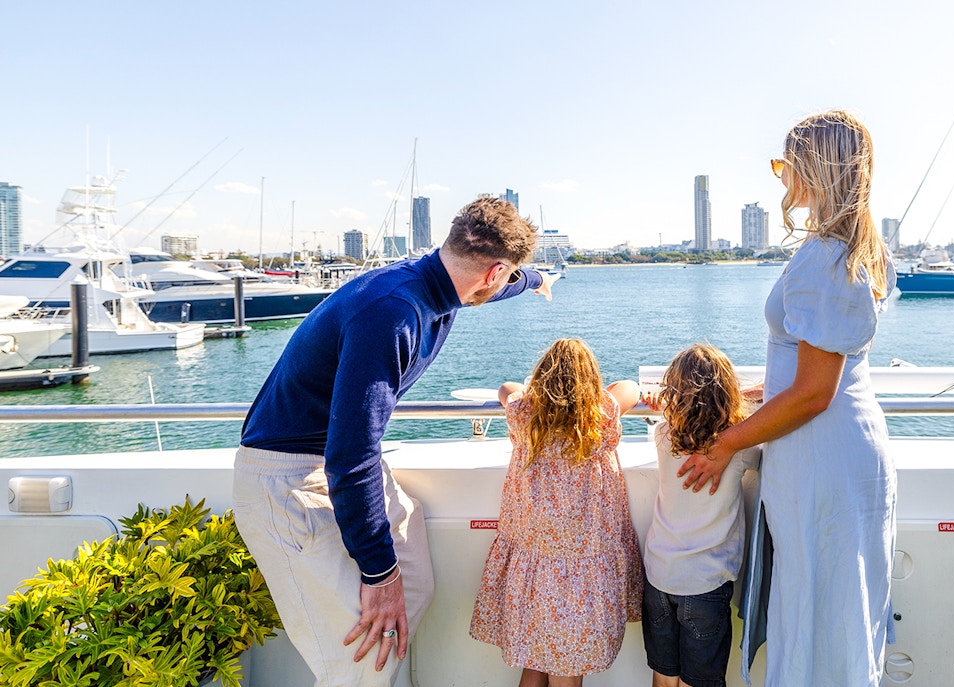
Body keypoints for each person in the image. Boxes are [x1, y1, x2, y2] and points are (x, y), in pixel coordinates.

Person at [233, 197, 558, 687]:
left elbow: (498, 288)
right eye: (509, 276)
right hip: (290, 478)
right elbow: (352, 453)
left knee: (414, 591)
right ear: (493, 271)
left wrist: (535, 281)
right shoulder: (392, 314)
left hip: (331, 462)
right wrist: (378, 575)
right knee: (362, 653)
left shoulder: (438, 280)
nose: (506, 284)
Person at [678, 110, 897, 686]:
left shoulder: (825, 257)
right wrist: (746, 394)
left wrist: (725, 443)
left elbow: (812, 394)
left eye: (785, 164)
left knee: (821, 607)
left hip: (820, 454)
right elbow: (816, 372)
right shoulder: (851, 248)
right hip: (838, 449)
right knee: (832, 605)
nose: (780, 176)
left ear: (816, 169)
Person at [469, 338, 644, 687]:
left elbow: (508, 388)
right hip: (582, 577)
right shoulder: (601, 417)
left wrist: (534, 396)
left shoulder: (524, 417)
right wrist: (596, 395)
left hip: (533, 572)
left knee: (533, 665)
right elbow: (632, 388)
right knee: (566, 671)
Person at [640, 344, 761, 687]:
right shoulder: (739, 449)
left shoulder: (663, 435)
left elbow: (671, 413)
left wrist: (663, 403)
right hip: (705, 583)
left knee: (664, 677)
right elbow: (761, 425)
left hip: (660, 575)